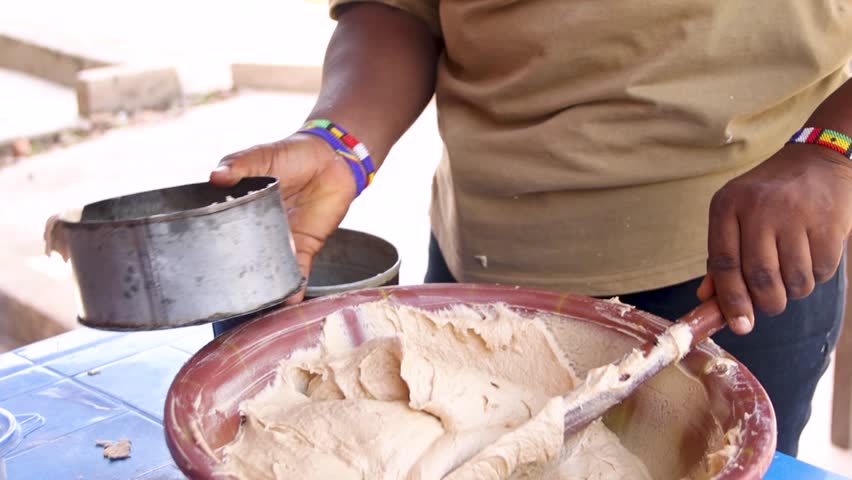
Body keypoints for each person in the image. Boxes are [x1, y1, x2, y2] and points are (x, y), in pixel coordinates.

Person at [210, 1, 852, 456]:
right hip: (481, 272)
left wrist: (831, 148)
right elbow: (400, 8)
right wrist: (340, 142)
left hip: (742, 266)